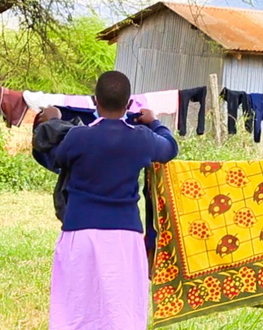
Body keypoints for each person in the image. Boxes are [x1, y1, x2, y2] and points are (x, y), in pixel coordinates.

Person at [44, 71, 179, 330]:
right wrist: (154, 122)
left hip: (79, 234)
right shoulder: (141, 138)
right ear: (129, 105)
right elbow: (170, 148)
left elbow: (54, 157)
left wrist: (51, 122)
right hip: (124, 238)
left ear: (95, 101)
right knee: (121, 314)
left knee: (75, 311)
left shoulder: (78, 137)